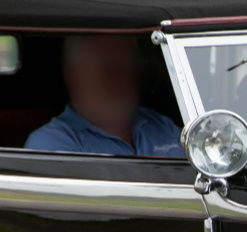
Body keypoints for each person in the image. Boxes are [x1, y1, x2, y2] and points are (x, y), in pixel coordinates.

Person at [25, 36, 183, 157]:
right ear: (73, 75)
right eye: (104, 66)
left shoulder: (162, 126)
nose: (115, 79)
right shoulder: (49, 143)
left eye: (124, 64)